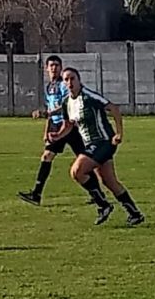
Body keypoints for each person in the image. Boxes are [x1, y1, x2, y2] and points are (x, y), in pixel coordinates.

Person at [47, 68, 144, 226]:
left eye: (72, 78)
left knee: (77, 171)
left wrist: (119, 133)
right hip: (91, 144)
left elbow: (114, 108)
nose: (69, 83)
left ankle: (103, 205)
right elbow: (68, 125)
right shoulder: (66, 102)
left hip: (104, 141)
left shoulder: (89, 96)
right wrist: (57, 135)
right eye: (66, 80)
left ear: (79, 80)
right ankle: (135, 214)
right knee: (109, 181)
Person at [18, 55, 90, 206]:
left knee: (84, 160)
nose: (54, 68)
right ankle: (36, 194)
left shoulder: (64, 85)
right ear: (46, 68)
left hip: (70, 126)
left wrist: (48, 113)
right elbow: (51, 109)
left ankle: (97, 194)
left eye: (57, 65)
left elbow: (66, 105)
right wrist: (46, 131)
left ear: (61, 67)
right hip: (57, 127)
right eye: (51, 65)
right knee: (47, 156)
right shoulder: (49, 87)